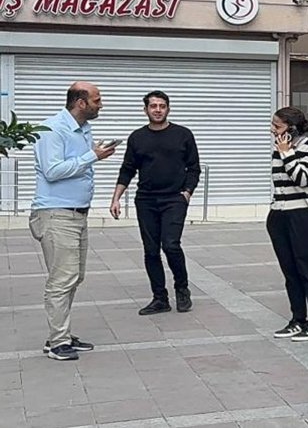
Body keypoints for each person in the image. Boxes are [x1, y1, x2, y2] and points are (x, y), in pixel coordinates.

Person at [30, 82, 115, 361]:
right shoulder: (53, 128)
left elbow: (77, 164)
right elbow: (52, 171)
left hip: (77, 213)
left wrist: (94, 154)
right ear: (81, 102)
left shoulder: (84, 129)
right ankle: (57, 342)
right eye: (97, 100)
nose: (100, 104)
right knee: (61, 279)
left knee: (74, 277)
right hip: (56, 213)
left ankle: (60, 334)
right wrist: (93, 156)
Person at [109, 90, 201, 316]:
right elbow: (128, 169)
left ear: (168, 108)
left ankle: (182, 289)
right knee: (151, 250)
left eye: (162, 106)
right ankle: (160, 298)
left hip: (174, 198)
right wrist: (116, 197)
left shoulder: (183, 134)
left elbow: (194, 168)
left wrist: (187, 192)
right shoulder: (137, 137)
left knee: (170, 244)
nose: (157, 110)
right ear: (145, 110)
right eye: (153, 106)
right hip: (146, 200)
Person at [267, 107, 308, 342]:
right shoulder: (278, 148)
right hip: (280, 214)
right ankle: (297, 319)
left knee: (306, 268)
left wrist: (287, 153)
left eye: (277, 126)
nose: (273, 130)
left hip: (303, 214)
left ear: (291, 128)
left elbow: (302, 178)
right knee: (289, 271)